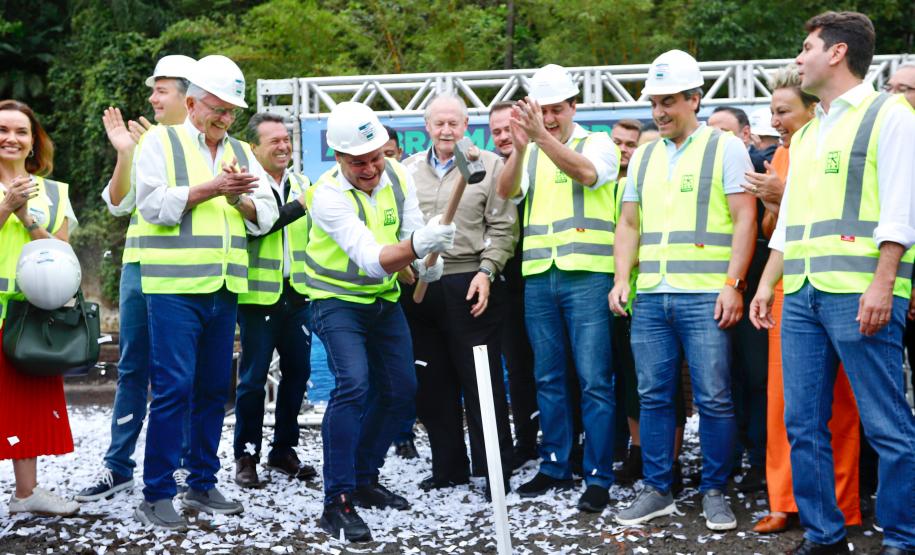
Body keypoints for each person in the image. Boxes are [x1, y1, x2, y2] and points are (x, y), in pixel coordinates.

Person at [750, 12, 915, 555]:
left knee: (886, 424)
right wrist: (766, 285)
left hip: (860, 291)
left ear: (837, 53)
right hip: (800, 293)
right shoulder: (809, 133)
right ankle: (824, 537)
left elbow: (902, 210)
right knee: (802, 423)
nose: (799, 58)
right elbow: (792, 221)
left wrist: (883, 285)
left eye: (807, 48)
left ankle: (903, 538)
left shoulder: (891, 115)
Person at [610, 49, 756, 531]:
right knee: (653, 396)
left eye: (668, 101)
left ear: (695, 99)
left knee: (714, 397)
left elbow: (745, 219)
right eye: (654, 102)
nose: (659, 111)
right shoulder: (645, 155)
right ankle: (658, 489)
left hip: (705, 294)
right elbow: (629, 223)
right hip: (652, 295)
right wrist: (621, 279)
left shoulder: (725, 147)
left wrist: (733, 284)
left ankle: (714, 490)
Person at [132, 55, 278, 530]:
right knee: (173, 388)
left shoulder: (241, 150)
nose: (226, 118)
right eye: (218, 108)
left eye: (232, 111)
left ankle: (201, 482)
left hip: (224, 286)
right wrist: (212, 188)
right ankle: (157, 493)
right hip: (173, 286)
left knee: (214, 389)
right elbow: (151, 205)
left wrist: (240, 199)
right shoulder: (160, 141)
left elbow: (267, 215)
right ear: (192, 103)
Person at [304, 101, 455, 542]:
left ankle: (364, 478)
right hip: (335, 301)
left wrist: (425, 264)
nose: (370, 169)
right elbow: (372, 258)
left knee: (401, 390)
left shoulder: (399, 176)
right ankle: (337, 501)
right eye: (359, 162)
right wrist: (418, 243)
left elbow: (407, 238)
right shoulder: (327, 195)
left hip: (383, 301)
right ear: (338, 157)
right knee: (353, 385)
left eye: (376, 158)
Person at [743, 64, 863, 536]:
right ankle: (783, 500)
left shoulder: (836, 143)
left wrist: (784, 193)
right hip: (787, 286)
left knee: (842, 404)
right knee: (785, 404)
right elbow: (773, 229)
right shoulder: (782, 153)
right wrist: (775, 202)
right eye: (772, 112)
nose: (776, 121)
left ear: (813, 110)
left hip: (840, 283)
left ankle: (843, 504)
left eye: (784, 112)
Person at [496, 64, 620, 513]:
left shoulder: (598, 143)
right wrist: (519, 149)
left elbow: (588, 175)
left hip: (588, 274)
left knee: (594, 381)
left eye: (556, 110)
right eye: (542, 110)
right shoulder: (531, 148)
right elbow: (506, 191)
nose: (549, 119)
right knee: (547, 378)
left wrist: (539, 140)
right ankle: (554, 465)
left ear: (573, 107)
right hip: (538, 275)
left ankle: (598, 475)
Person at [77, 54, 196, 503]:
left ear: (189, 97)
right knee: (131, 368)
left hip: (186, 273)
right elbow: (118, 203)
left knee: (179, 372)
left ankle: (180, 464)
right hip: (140, 269)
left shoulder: (209, 147)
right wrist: (127, 152)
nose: (152, 99)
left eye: (161, 90)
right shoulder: (147, 143)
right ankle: (118, 466)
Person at [402, 94, 517, 494]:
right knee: (433, 383)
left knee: (481, 381)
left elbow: (503, 227)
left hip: (470, 282)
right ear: (427, 127)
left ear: (467, 125)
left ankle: (493, 471)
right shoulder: (407, 170)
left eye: (454, 123)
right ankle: (448, 467)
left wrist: (487, 271)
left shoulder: (490, 165)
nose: (446, 130)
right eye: (439, 123)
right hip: (421, 287)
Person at [0, 99, 80, 517]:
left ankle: (26, 493)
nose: (11, 138)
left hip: (30, 314)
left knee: (27, 402)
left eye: (21, 131)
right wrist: (4, 207)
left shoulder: (54, 191)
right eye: (2, 130)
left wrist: (26, 217)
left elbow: (61, 253)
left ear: (34, 142)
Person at [233, 112, 315, 488]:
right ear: (253, 148)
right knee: (253, 380)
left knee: (298, 374)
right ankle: (246, 455)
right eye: (274, 141)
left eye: (286, 139)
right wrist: (298, 206)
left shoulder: (303, 183)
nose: (283, 146)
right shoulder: (244, 187)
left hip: (298, 294)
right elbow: (258, 228)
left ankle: (283, 450)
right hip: (257, 295)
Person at [706, 106, 770, 494]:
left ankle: (760, 460)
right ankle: (727, 459)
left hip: (756, 288)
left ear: (746, 135)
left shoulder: (762, 169)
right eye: (710, 131)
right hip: (712, 288)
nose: (716, 139)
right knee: (721, 379)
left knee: (756, 376)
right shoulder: (702, 171)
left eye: (725, 132)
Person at [488, 100, 540, 468]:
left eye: (510, 128)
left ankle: (567, 443)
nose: (504, 136)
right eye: (497, 131)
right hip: (506, 286)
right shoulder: (488, 170)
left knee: (557, 369)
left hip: (545, 279)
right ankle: (525, 442)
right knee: (518, 369)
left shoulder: (544, 161)